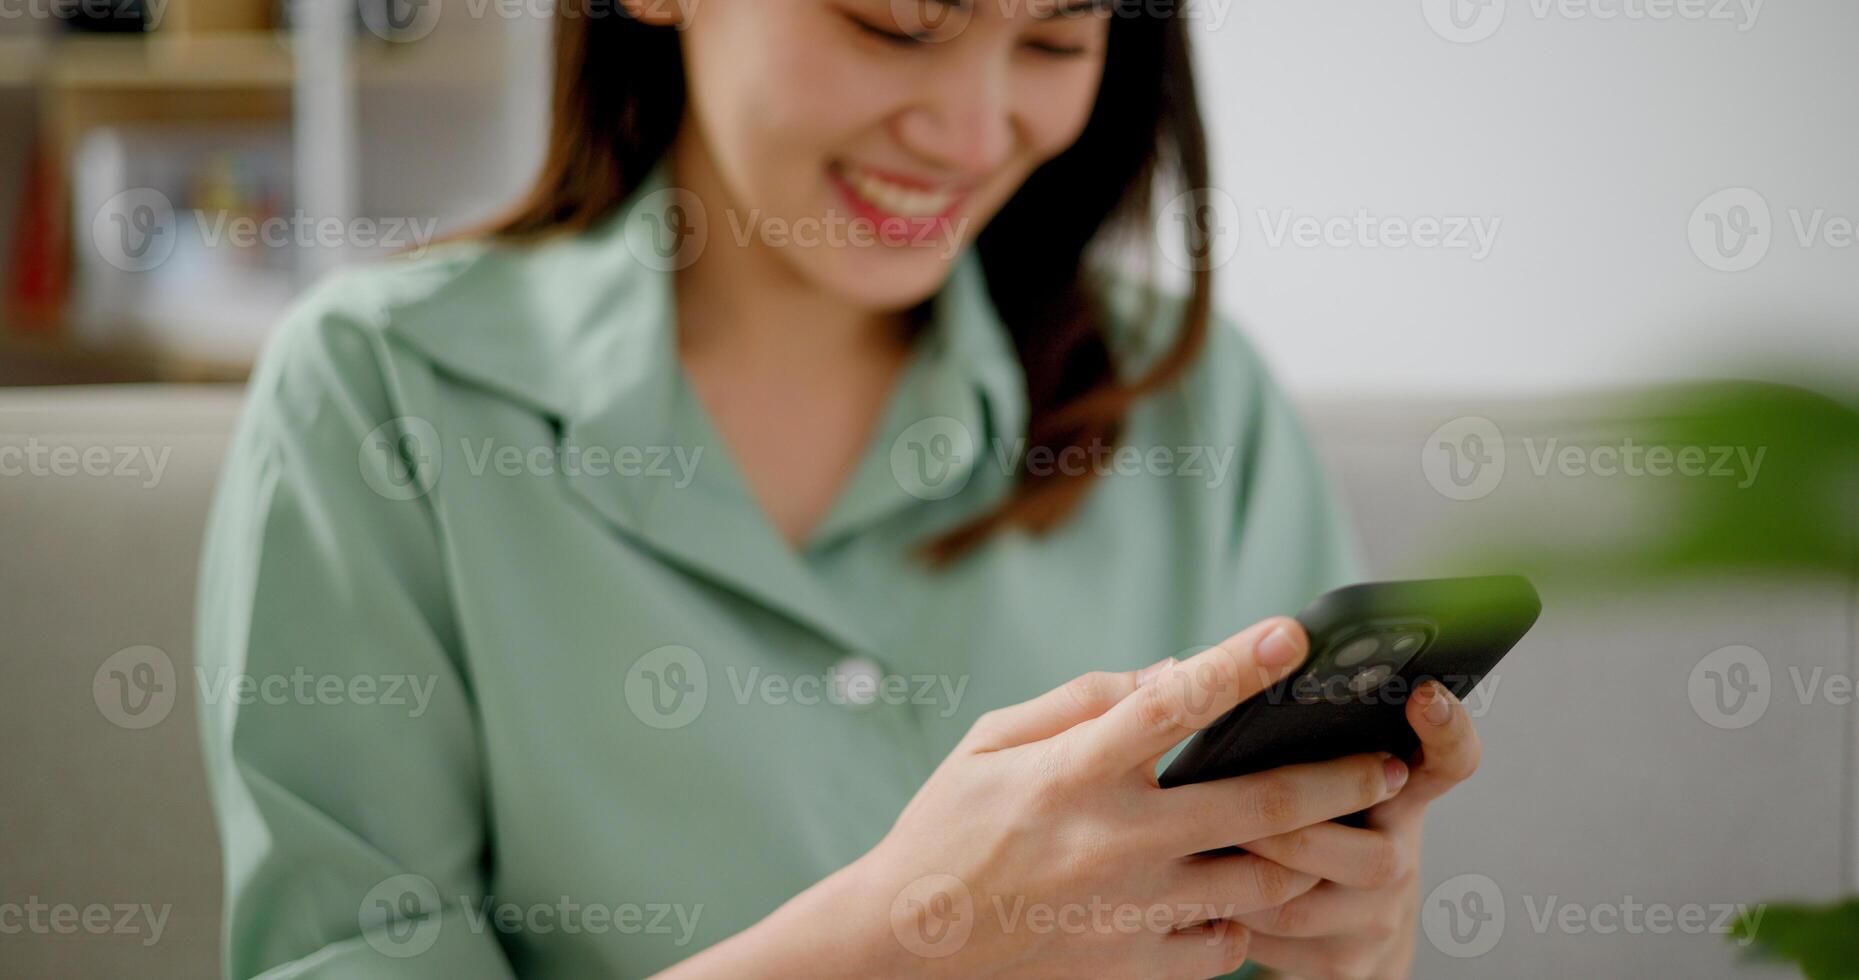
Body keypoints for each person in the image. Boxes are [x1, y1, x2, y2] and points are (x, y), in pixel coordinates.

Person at [195, 1, 1485, 976]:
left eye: (1052, 41)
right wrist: (906, 938)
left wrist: (1346, 939)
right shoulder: (379, 399)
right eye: (896, 23)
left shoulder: (1192, 402)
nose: (974, 132)